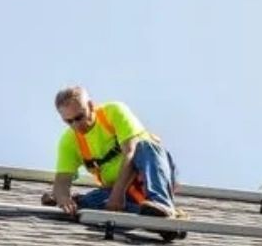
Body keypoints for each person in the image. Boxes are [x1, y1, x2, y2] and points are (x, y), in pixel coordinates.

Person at [44, 85, 180, 221]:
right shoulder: (69, 141)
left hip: (148, 179)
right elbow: (62, 181)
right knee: (84, 205)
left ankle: (162, 205)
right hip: (120, 193)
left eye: (79, 117)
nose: (76, 125)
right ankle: (154, 220)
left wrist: (117, 193)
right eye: (69, 121)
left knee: (146, 146)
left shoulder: (114, 112)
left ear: (91, 106)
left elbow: (130, 153)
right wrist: (62, 198)